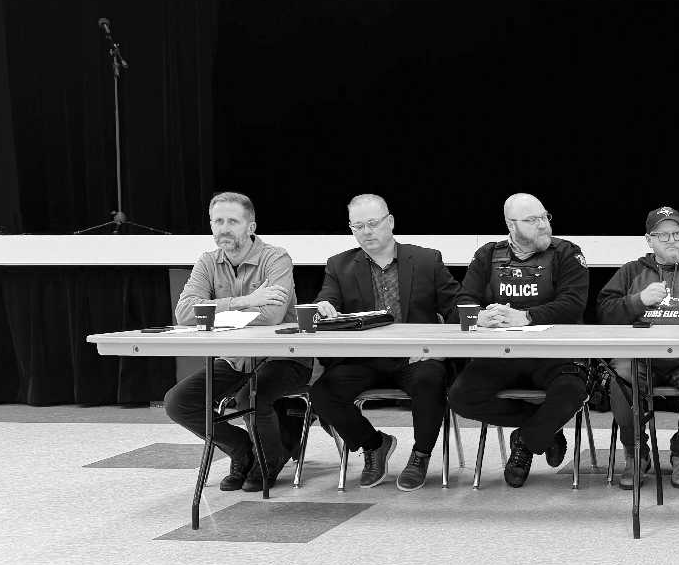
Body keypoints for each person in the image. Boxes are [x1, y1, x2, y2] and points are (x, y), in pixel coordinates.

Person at [309, 194, 461, 491]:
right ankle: (374, 444)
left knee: (430, 378)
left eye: (373, 223)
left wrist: (442, 350)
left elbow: (455, 308)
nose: (366, 231)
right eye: (358, 226)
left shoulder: (427, 260)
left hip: (415, 357)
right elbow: (327, 300)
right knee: (322, 393)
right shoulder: (339, 265)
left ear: (390, 222)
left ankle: (420, 456)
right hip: (364, 359)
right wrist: (323, 307)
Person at [163, 192, 311, 492]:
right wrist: (246, 300)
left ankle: (269, 460)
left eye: (233, 221)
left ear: (251, 226)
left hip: (283, 358)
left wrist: (216, 312)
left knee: (249, 398)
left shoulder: (275, 258)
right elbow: (185, 313)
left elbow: (271, 315)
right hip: (236, 359)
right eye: (217, 221)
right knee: (178, 403)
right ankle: (242, 449)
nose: (224, 229)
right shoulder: (208, 261)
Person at [447, 193, 590, 488]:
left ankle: (525, 441)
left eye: (545, 216)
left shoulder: (567, 253)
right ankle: (544, 427)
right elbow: (463, 300)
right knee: (460, 397)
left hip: (554, 355)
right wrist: (478, 317)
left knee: (572, 392)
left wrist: (526, 316)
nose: (543, 224)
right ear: (511, 225)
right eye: (532, 220)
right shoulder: (488, 254)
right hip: (502, 355)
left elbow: (573, 304)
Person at [597, 206, 679, 489]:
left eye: (676, 234)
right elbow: (604, 312)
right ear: (649, 240)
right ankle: (636, 452)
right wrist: (638, 301)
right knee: (621, 376)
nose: (671, 240)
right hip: (641, 356)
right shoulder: (631, 271)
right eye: (663, 235)